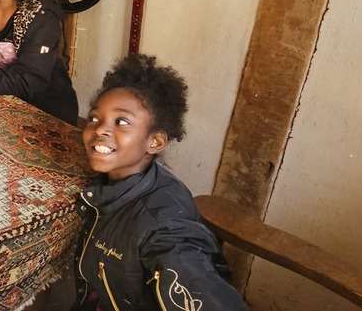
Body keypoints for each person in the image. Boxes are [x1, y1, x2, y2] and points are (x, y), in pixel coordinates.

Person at [73, 54, 248, 311]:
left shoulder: (163, 226)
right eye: (95, 118)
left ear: (155, 142)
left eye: (121, 122)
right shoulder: (116, 181)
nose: (100, 129)